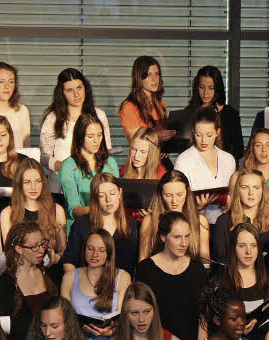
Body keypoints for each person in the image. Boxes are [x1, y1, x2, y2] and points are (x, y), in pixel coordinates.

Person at [135, 211, 209, 340]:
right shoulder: (146, 269)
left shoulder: (197, 269)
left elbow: (203, 316)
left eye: (187, 236)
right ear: (163, 237)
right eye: (177, 237)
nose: (183, 243)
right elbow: (141, 316)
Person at [41, 68, 113, 201]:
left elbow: (106, 151)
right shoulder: (53, 118)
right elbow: (43, 156)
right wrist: (61, 166)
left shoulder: (99, 115)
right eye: (70, 90)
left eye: (79, 87)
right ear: (62, 93)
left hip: (92, 187)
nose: (76, 94)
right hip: (60, 187)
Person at [0, 221, 59, 340]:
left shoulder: (50, 274)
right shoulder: (5, 283)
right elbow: (4, 327)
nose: (41, 250)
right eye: (34, 247)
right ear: (18, 249)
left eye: (43, 244)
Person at [61, 230, 131, 340]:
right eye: (90, 248)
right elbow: (63, 317)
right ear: (84, 250)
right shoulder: (69, 277)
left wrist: (110, 332)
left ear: (109, 253)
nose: (95, 255)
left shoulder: (122, 277)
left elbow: (125, 319)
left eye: (101, 250)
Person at [0, 159, 68, 282]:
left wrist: (55, 257)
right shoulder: (7, 213)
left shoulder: (57, 210)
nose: (33, 187)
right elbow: (9, 254)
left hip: (51, 276)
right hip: (21, 277)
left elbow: (64, 252)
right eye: (27, 182)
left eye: (38, 182)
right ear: (19, 184)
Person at [61, 172, 140, 275]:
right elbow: (69, 261)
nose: (108, 199)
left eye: (112, 193)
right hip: (88, 285)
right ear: (94, 198)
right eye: (102, 195)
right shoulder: (82, 224)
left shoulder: (133, 225)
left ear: (120, 193)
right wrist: (79, 285)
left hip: (122, 287)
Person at [211, 168, 269, 270]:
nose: (250, 193)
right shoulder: (224, 221)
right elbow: (220, 261)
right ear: (237, 191)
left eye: (256, 187)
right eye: (245, 187)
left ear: (263, 191)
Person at [173, 106, 235, 224]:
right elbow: (177, 200)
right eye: (198, 134)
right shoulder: (184, 160)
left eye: (209, 135)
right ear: (193, 132)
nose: (203, 140)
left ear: (218, 132)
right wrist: (197, 206)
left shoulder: (228, 160)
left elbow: (233, 193)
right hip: (195, 224)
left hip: (225, 224)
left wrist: (230, 203)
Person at [220, 222, 269, 340]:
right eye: (242, 246)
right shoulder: (222, 279)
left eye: (253, 245)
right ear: (233, 248)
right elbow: (216, 321)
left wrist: (258, 321)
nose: (249, 251)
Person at [59, 113, 120, 225]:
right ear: (80, 137)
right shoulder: (68, 166)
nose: (96, 141)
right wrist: (99, 209)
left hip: (109, 224)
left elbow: (118, 199)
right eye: (90, 136)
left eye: (99, 135)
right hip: (82, 225)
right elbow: (74, 209)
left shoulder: (110, 162)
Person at [138, 170, 210, 261]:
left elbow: (205, 262)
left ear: (187, 193)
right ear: (161, 195)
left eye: (179, 195)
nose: (174, 201)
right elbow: (143, 260)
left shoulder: (200, 221)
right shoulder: (150, 220)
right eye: (168, 195)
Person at [183, 65, 244, 159]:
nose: (205, 93)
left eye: (211, 88)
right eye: (202, 87)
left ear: (217, 89)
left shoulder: (230, 114)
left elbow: (239, 151)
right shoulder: (188, 112)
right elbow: (182, 147)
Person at [118, 56, 174, 143]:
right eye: (149, 75)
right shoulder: (129, 107)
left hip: (159, 155)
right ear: (139, 77)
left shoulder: (161, 104)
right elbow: (135, 140)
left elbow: (164, 136)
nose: (155, 79)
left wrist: (166, 147)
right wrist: (157, 136)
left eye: (157, 73)